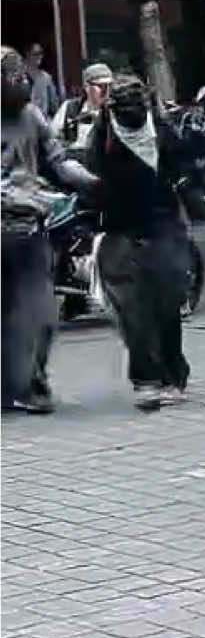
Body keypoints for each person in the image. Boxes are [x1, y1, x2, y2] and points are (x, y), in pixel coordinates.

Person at [84, 74, 192, 411]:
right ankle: (146, 380)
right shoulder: (102, 134)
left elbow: (181, 169)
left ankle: (173, 377)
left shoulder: (161, 132)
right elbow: (92, 175)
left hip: (162, 224)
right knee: (133, 310)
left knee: (167, 303)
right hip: (120, 229)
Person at [1, 49, 98, 412]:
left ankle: (30, 385)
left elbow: (58, 161)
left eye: (19, 74)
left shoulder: (31, 114)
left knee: (38, 313)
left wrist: (92, 182)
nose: (20, 80)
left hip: (28, 227)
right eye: (9, 75)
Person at [53, 62, 113, 154]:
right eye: (101, 86)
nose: (106, 91)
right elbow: (52, 139)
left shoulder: (115, 112)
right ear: (87, 87)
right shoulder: (69, 108)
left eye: (109, 86)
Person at [24, 43, 59, 118]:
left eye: (41, 53)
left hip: (43, 122)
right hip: (25, 123)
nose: (39, 56)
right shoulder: (20, 76)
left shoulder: (46, 77)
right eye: (36, 54)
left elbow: (54, 103)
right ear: (28, 54)